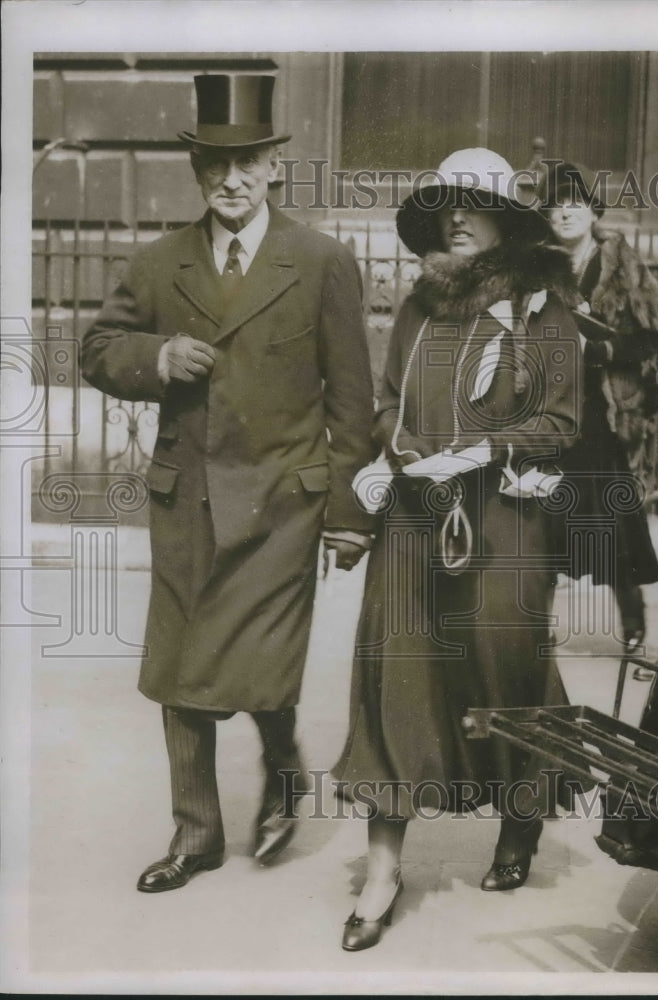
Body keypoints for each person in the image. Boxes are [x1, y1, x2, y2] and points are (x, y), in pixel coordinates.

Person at [81, 74, 376, 892]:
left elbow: (355, 404)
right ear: (198, 173)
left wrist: (350, 514)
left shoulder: (322, 261)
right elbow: (96, 349)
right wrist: (156, 358)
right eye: (216, 166)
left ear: (275, 166)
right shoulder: (159, 262)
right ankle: (197, 835)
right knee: (181, 668)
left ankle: (283, 766)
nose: (232, 181)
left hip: (285, 502)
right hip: (190, 497)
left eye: (247, 163)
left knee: (257, 667)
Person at [332, 149, 582, 951]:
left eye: (473, 206)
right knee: (393, 675)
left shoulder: (544, 309)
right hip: (414, 517)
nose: (456, 219)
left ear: (506, 220)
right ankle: (382, 871)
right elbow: (385, 404)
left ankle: (521, 816)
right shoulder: (419, 305)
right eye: (445, 207)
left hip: (505, 520)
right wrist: (392, 455)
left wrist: (483, 451)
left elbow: (562, 421)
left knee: (503, 669)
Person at [539, 162, 658, 679]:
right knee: (541, 514)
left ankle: (633, 625)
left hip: (605, 413)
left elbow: (653, 336)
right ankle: (536, 625)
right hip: (547, 412)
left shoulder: (622, 265)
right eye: (555, 203)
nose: (565, 210)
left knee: (612, 517)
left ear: (593, 212)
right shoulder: (535, 267)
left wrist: (602, 348)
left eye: (575, 202)